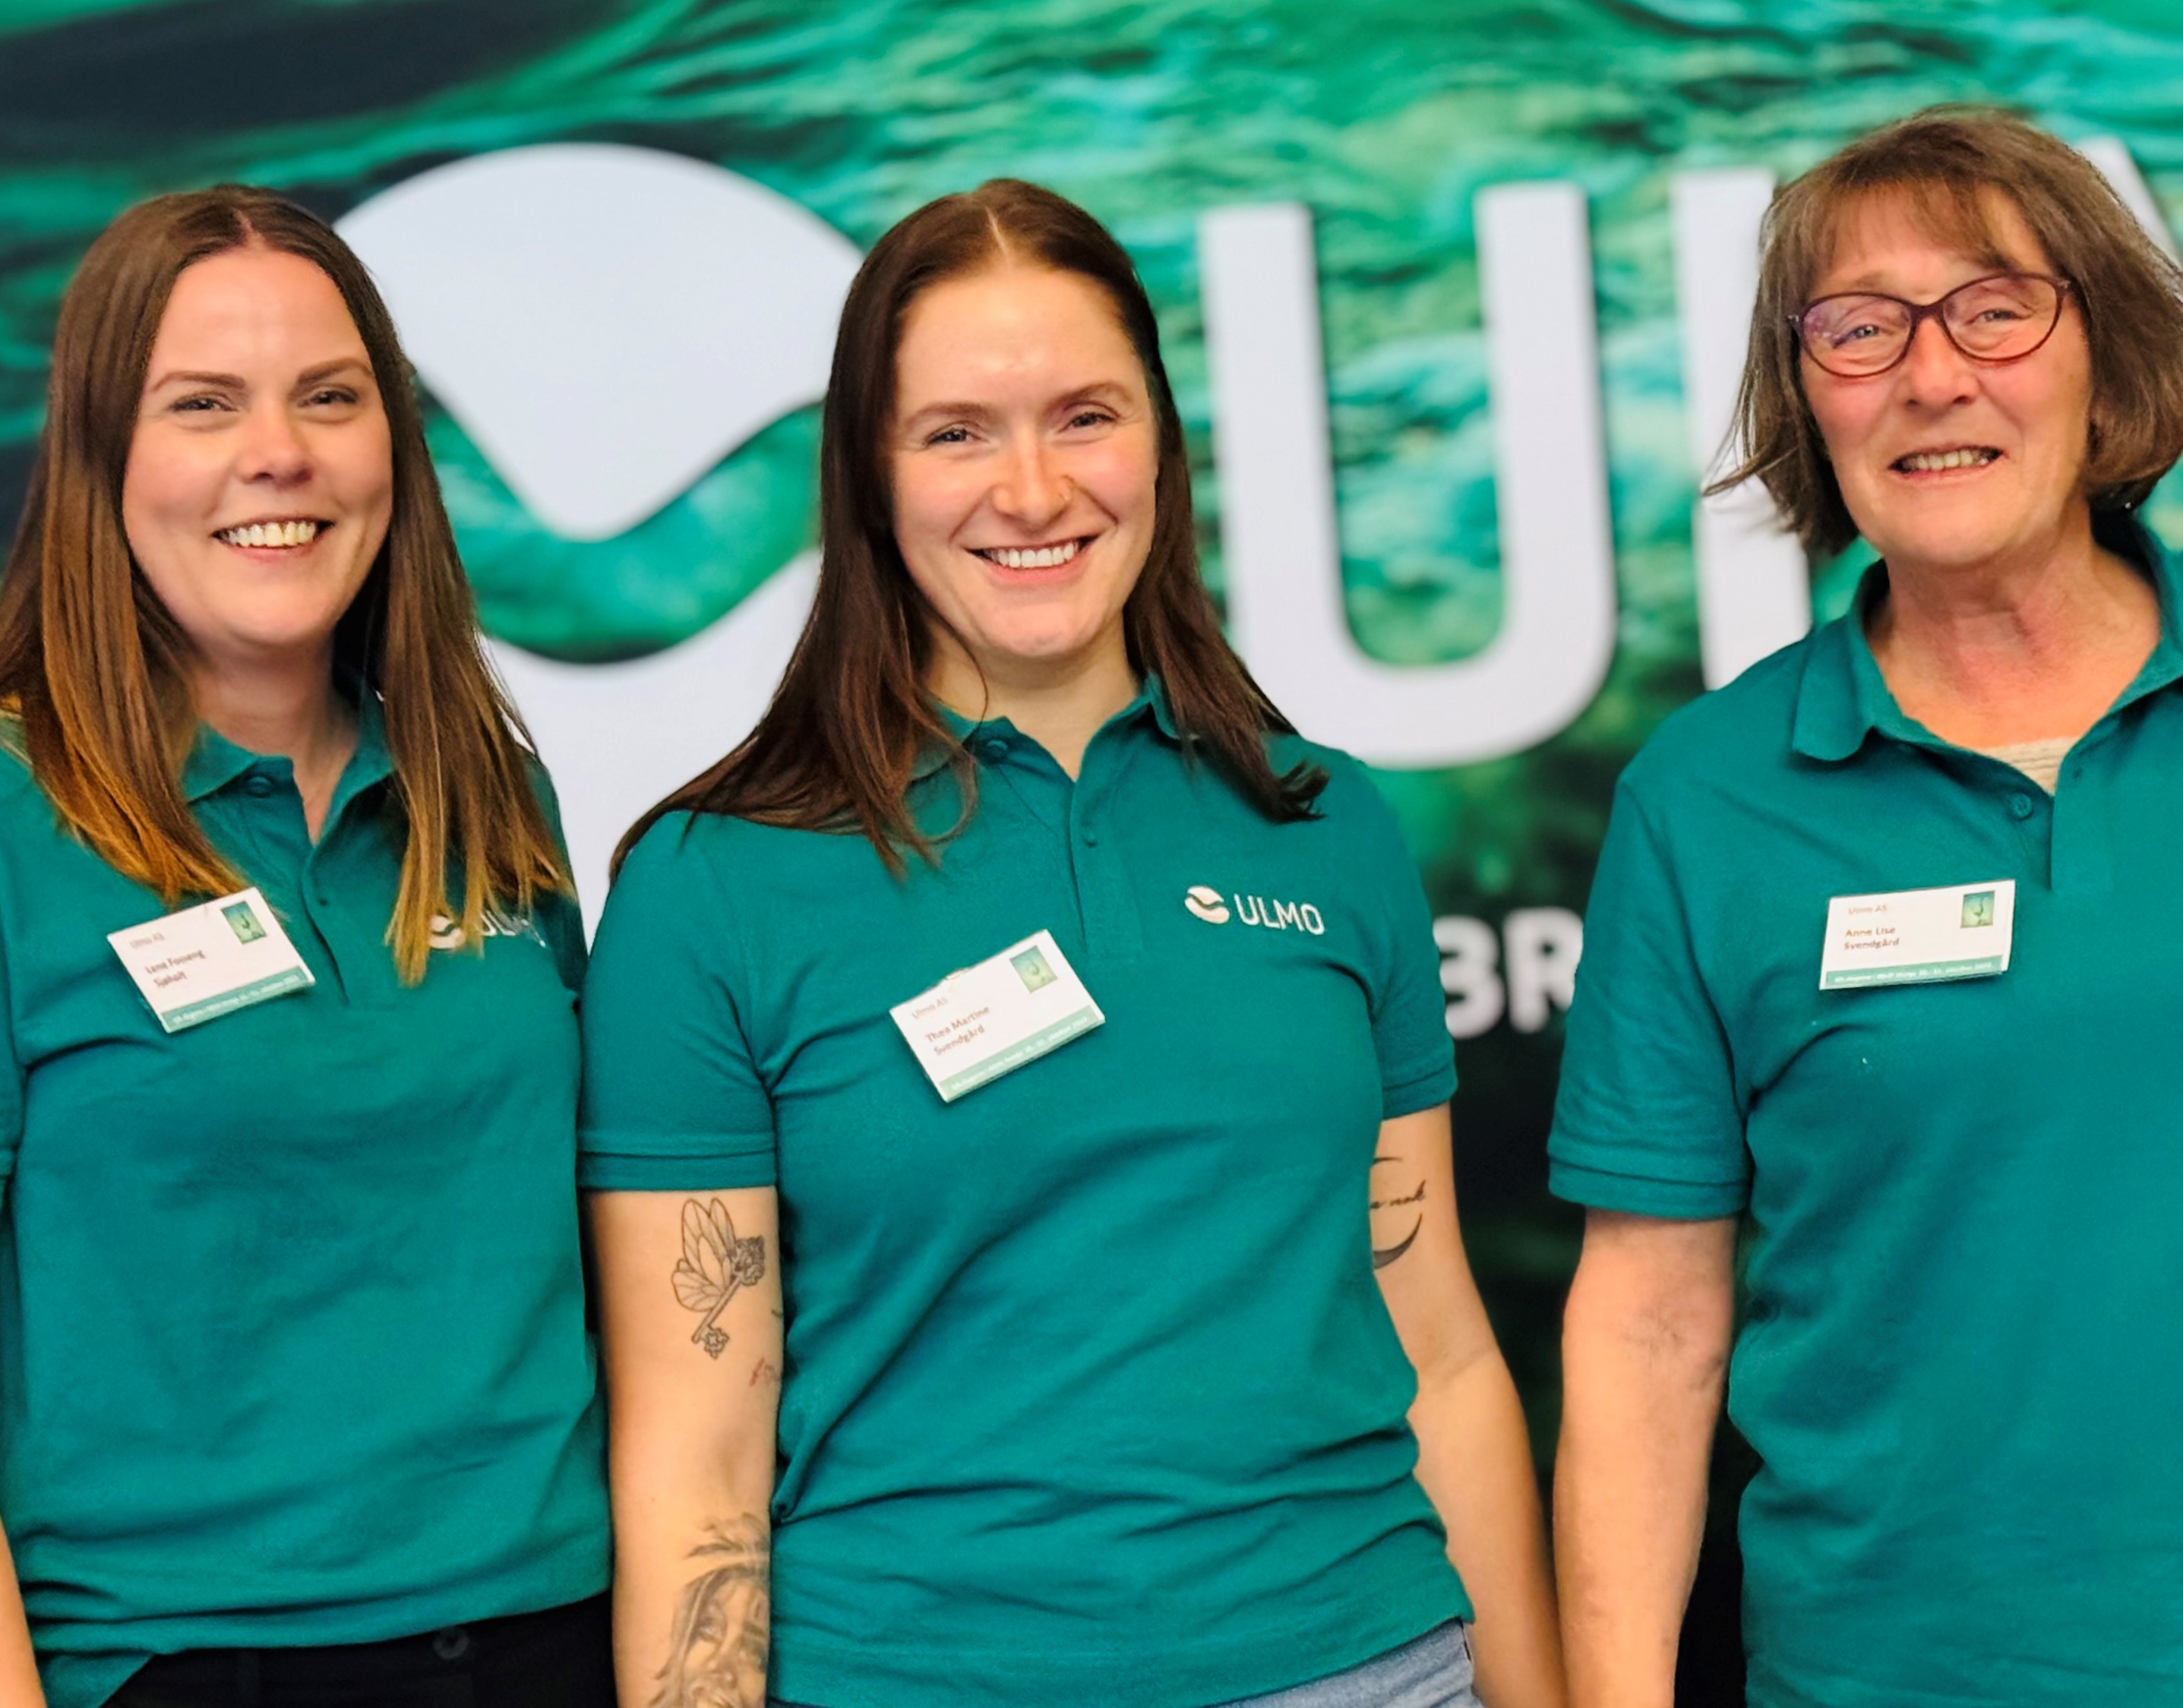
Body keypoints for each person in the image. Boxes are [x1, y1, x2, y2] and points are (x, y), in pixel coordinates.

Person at [581, 179, 1562, 1708]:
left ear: (1160, 441)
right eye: (956, 432)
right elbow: (694, 1463)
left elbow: (1439, 1350)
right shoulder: (713, 883)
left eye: (1084, 417)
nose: (1031, 490)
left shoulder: (1323, 823)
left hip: (1369, 1664)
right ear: (869, 475)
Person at [1551, 106, 2183, 1706]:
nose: (1932, 376)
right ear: (1807, 400)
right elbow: (1647, 1326)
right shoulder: (1704, 798)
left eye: (1995, 308)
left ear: (2104, 359)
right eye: (1860, 329)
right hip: (1908, 1667)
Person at [0, 188, 610, 1708]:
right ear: (100, 456)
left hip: (559, 1638)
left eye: (331, 397)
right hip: (187, 1662)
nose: (279, 453)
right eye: (204, 404)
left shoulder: (488, 794)